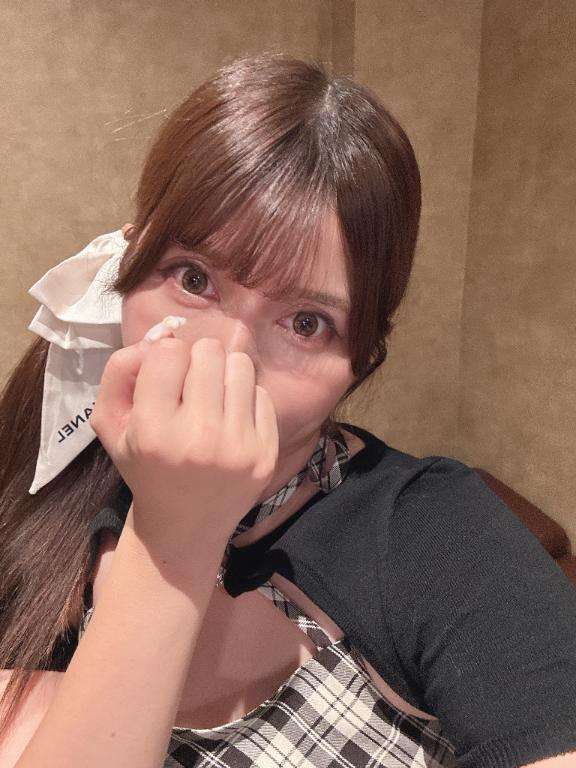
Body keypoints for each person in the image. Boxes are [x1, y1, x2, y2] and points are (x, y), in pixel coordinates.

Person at [0, 52, 575, 768]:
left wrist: (182, 528)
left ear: (360, 362)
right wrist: (169, 536)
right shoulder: (55, 464)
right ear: (128, 263)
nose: (227, 357)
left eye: (306, 323)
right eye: (193, 278)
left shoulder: (435, 530)